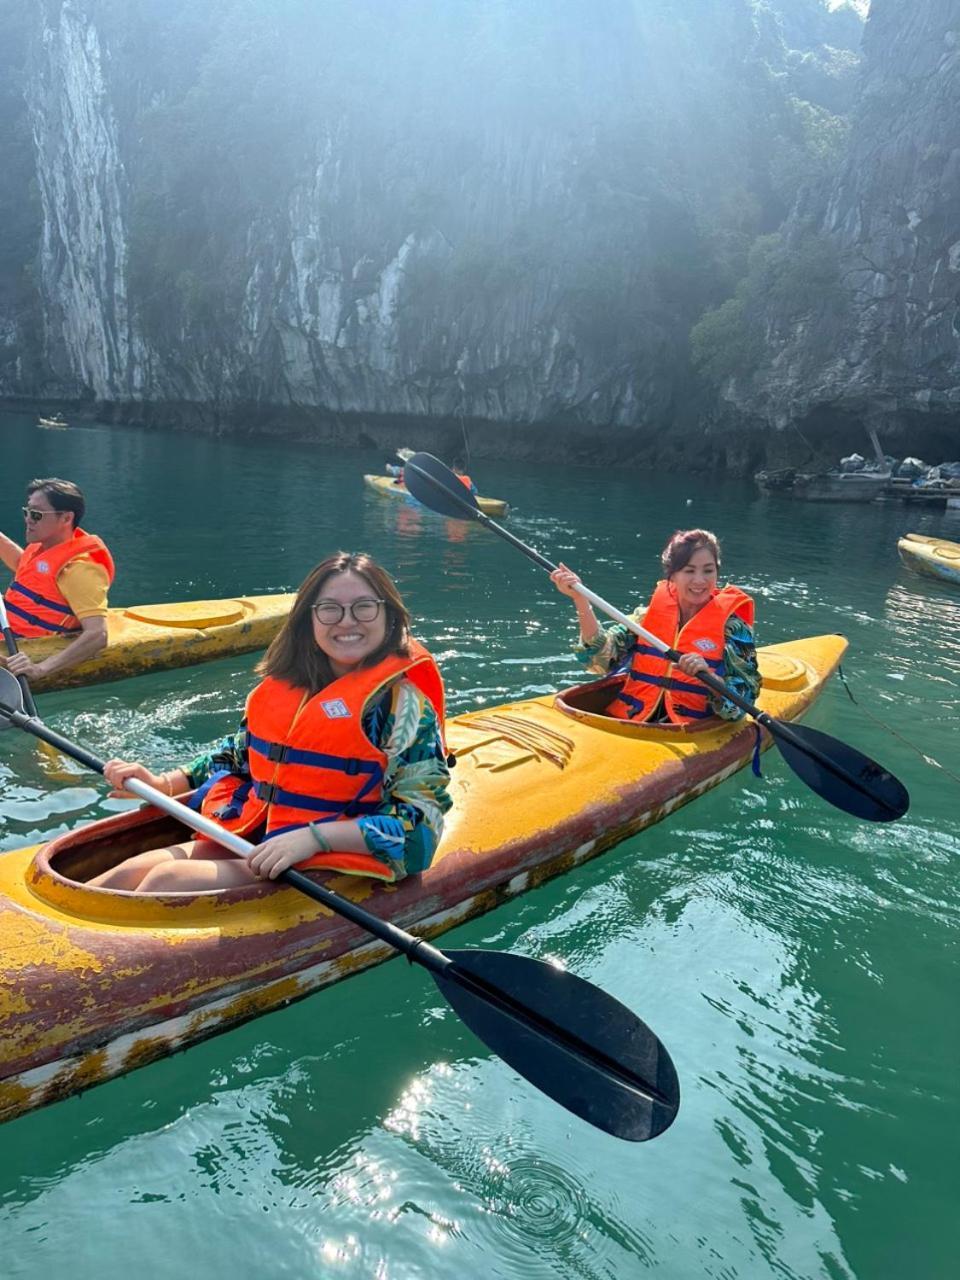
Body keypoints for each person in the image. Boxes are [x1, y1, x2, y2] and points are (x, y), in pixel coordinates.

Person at [89, 552, 452, 893]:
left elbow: (419, 828)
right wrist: (164, 782)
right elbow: (239, 753)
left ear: (389, 616)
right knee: (126, 873)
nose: (347, 621)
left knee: (166, 879)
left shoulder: (402, 708)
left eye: (364, 608)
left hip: (326, 855)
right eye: (329, 609)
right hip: (260, 836)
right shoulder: (286, 687)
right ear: (308, 621)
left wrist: (315, 838)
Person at [550, 528, 760, 723]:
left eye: (708, 571)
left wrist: (710, 679)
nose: (700, 580)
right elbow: (598, 660)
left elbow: (744, 702)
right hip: (629, 720)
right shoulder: (647, 617)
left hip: (691, 731)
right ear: (672, 575)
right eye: (689, 571)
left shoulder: (734, 629)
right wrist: (580, 599)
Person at [0, 478, 114, 681]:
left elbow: (98, 635)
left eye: (36, 514)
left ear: (66, 518)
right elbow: (24, 568)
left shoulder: (79, 569)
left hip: (24, 644)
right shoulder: (43, 547)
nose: (28, 519)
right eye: (27, 512)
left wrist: (41, 669)